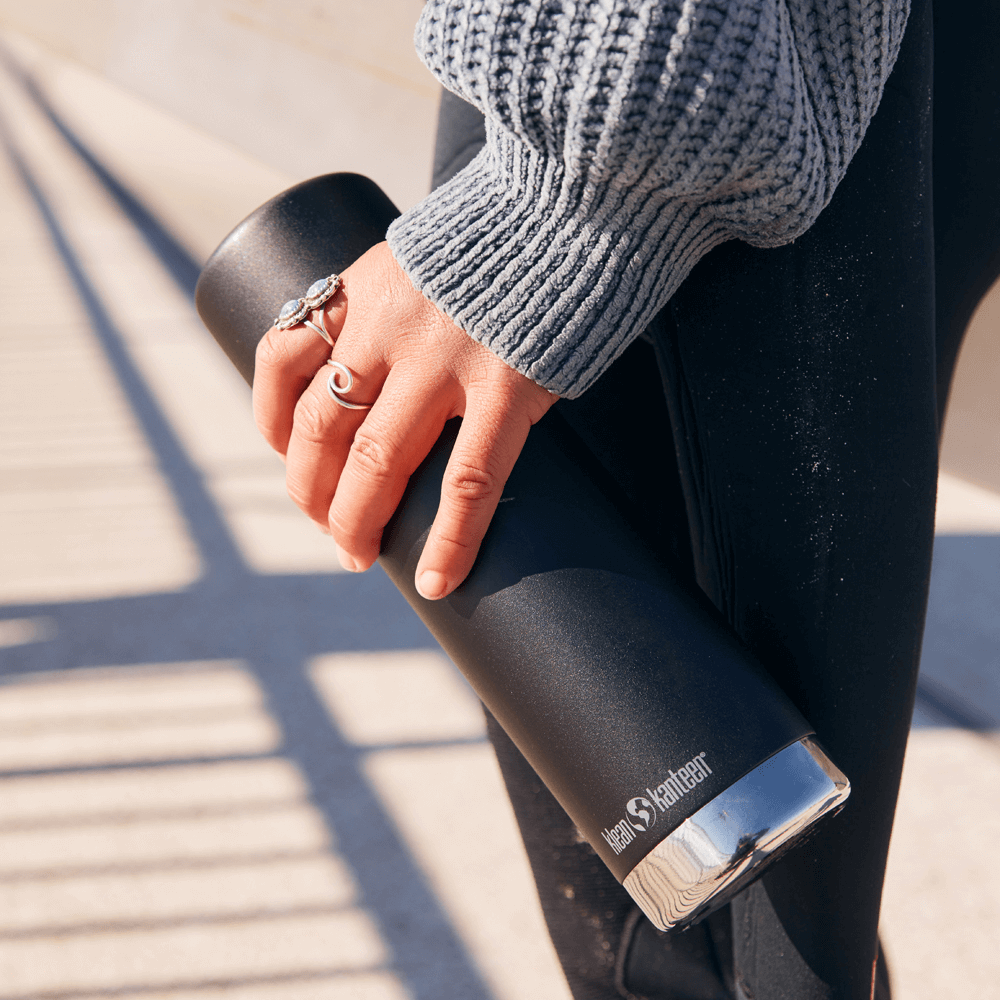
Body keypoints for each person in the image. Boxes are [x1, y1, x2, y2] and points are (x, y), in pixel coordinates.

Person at [251, 0, 1000, 997]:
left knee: (728, 921)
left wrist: (564, 190)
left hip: (676, 68)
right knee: (782, 917)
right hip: (798, 61)